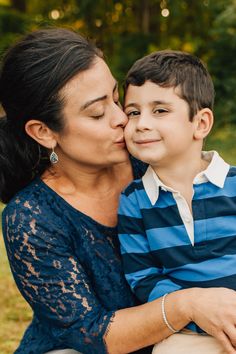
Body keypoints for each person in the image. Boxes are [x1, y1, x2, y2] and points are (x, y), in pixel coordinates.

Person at [0, 29, 236, 354]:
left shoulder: (150, 160)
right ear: (43, 132)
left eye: (116, 98)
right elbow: (91, 332)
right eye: (98, 113)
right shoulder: (31, 218)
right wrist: (189, 303)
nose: (123, 119)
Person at [118, 50, 236, 354]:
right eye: (133, 112)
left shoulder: (234, 186)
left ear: (200, 123)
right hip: (190, 331)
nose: (141, 123)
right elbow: (143, 277)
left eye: (159, 111)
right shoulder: (134, 202)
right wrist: (196, 315)